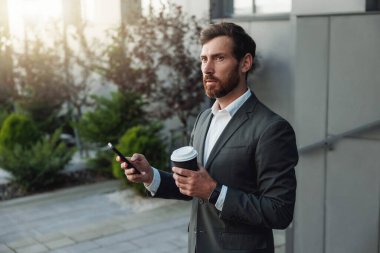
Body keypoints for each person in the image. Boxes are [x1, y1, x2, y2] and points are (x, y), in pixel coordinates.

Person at [116, 22, 298, 253]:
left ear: (245, 63)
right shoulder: (204, 119)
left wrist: (214, 191)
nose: (207, 68)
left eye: (219, 58)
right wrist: (151, 176)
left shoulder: (272, 129)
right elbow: (194, 185)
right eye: (203, 59)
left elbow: (279, 212)